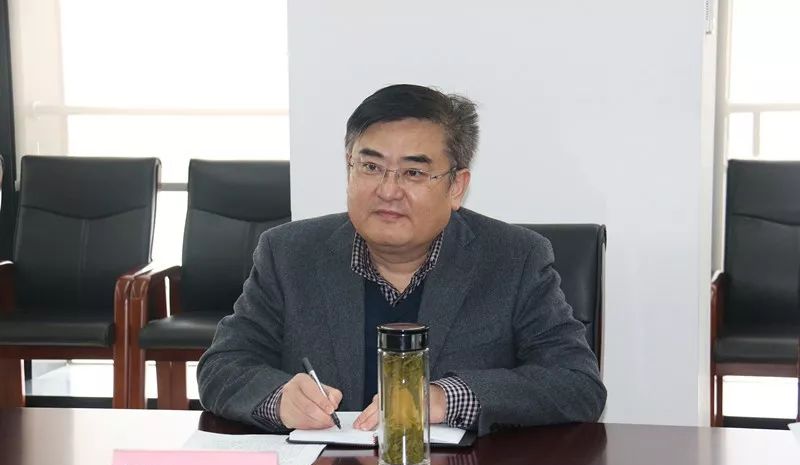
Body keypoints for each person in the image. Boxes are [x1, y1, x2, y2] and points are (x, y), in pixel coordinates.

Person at [197, 84, 606, 436]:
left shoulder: (514, 258)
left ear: (456, 186)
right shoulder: (289, 253)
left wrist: (446, 399)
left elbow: (577, 384)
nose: (388, 190)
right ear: (348, 168)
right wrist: (279, 398)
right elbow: (222, 366)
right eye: (371, 166)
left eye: (413, 173)